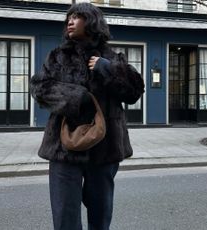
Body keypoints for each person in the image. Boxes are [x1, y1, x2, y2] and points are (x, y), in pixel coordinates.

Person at [30, 2, 144, 230]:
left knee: (101, 214)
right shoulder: (57, 56)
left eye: (77, 17)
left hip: (105, 146)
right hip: (65, 147)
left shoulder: (112, 57)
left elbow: (134, 92)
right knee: (65, 214)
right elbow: (40, 88)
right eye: (68, 18)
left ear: (91, 21)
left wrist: (107, 68)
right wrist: (75, 96)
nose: (70, 21)